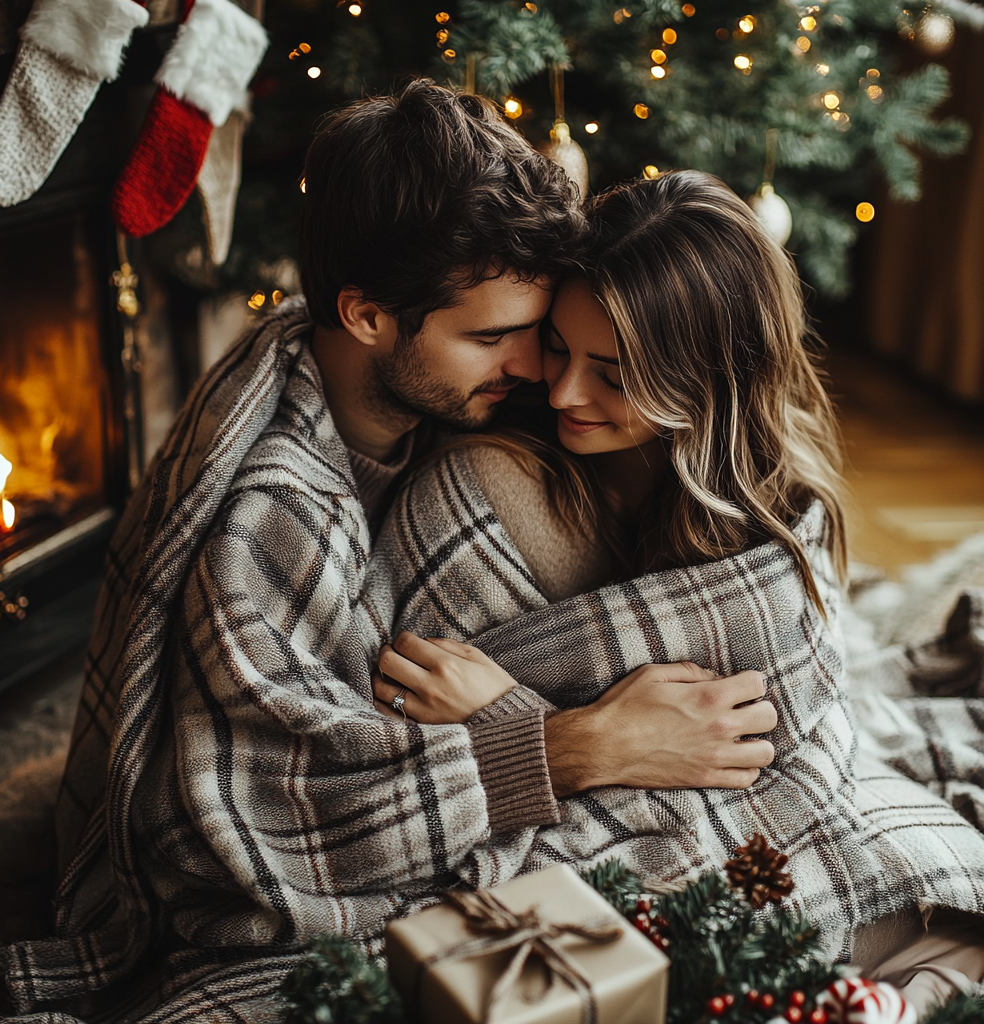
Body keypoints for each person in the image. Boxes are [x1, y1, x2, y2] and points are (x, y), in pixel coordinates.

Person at [0, 88, 776, 1024]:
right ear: (364, 316)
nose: (538, 374)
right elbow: (232, 830)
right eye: (493, 339)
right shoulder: (271, 522)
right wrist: (573, 746)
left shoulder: (468, 381)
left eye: (537, 332)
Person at [362, 171, 984, 1004]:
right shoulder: (486, 489)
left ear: (712, 382)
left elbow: (772, 746)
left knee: (952, 903)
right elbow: (406, 728)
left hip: (766, 817)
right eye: (558, 346)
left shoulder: (769, 496)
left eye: (613, 374)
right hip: (576, 838)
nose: (562, 391)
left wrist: (526, 716)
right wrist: (548, 732)